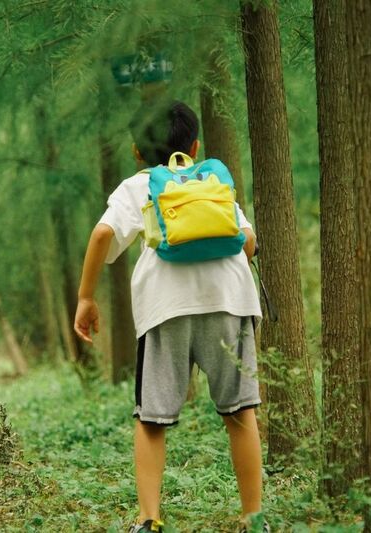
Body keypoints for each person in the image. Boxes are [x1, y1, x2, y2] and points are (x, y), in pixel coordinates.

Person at [73, 100, 268, 533]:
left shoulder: (139, 185)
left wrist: (86, 297)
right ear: (195, 146)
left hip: (166, 310)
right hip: (229, 302)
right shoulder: (212, 181)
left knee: (152, 419)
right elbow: (249, 242)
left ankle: (148, 520)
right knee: (240, 413)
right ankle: (254, 519)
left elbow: (104, 232)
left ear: (137, 152)